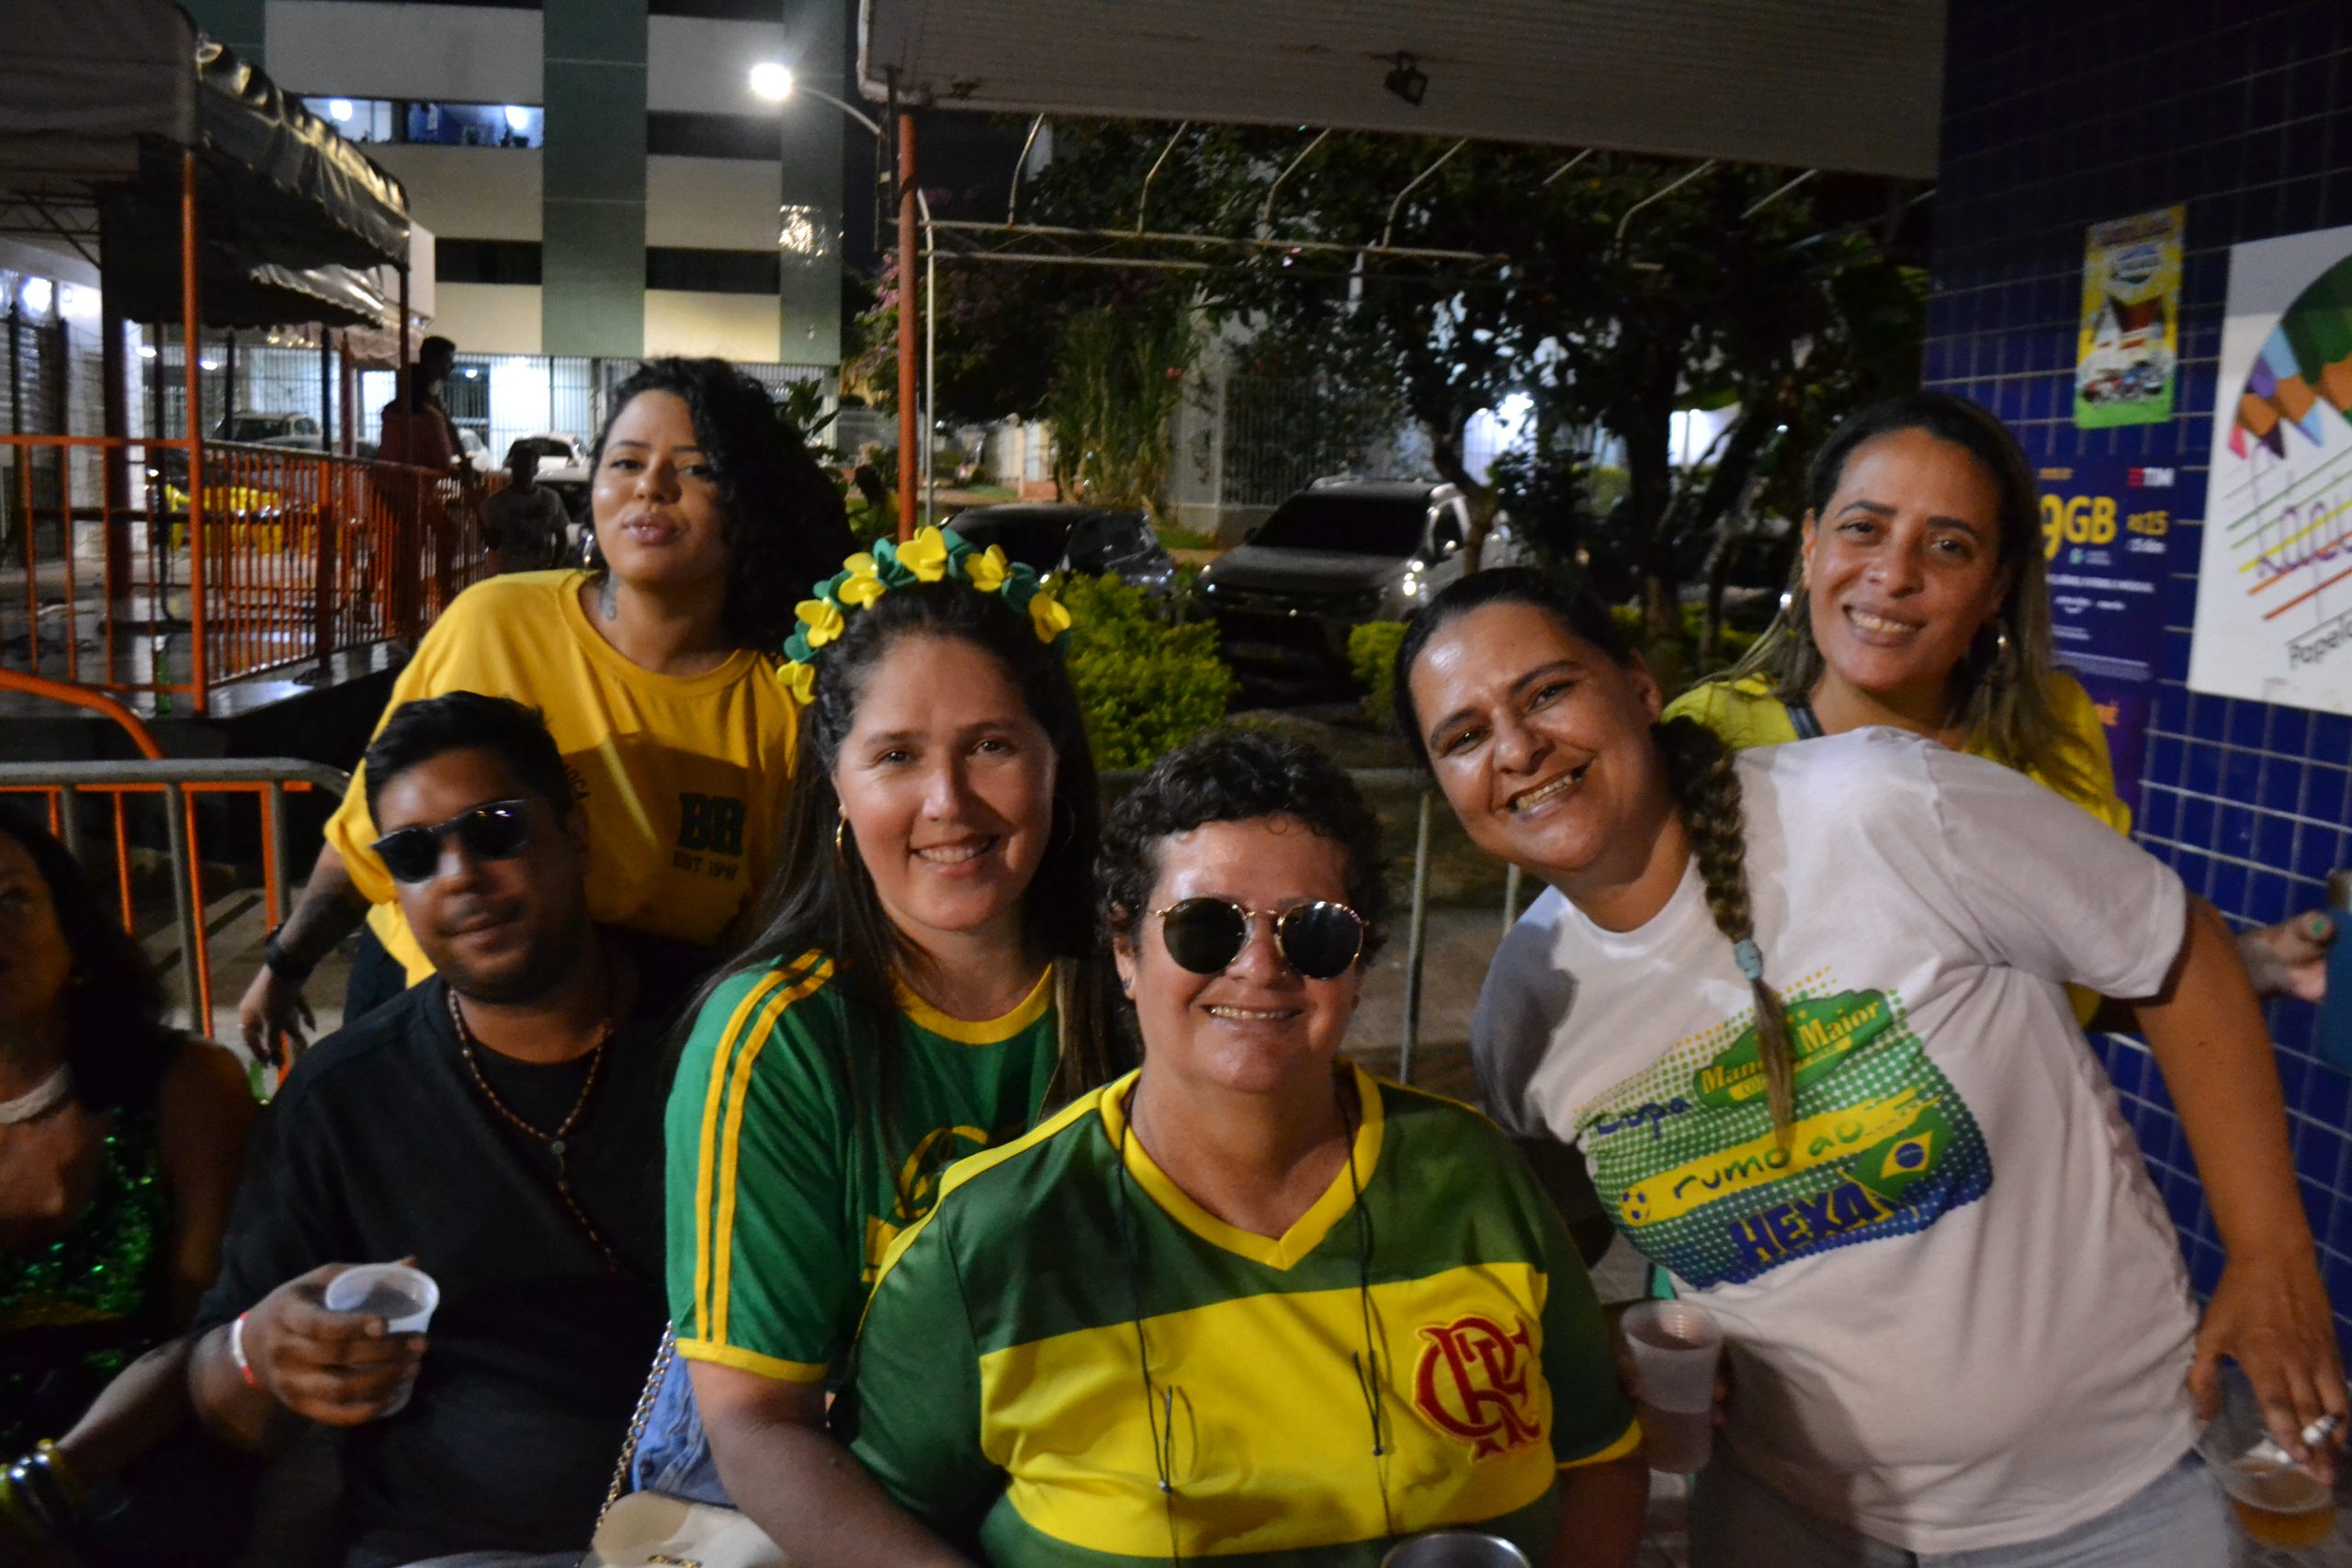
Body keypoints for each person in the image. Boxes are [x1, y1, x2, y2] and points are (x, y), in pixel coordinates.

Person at [1396, 568, 2344, 1566]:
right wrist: (1610, 1335)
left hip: (2107, 1505)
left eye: (1547, 691)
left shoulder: (1880, 805)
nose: (1517, 749)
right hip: (1789, 1515)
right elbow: (1560, 1236)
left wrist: (2269, 1255)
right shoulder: (1525, 1007)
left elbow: (2179, 951)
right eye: (1464, 737)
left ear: (1637, 687)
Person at [835, 728, 1647, 1567]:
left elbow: (1600, 1458)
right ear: (1125, 950)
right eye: (1205, 927)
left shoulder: (1472, 1177)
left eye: (1314, 931)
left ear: (1357, 966)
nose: (1261, 966)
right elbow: (875, 1523)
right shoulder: (993, 1242)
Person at [626, 528, 1125, 1561]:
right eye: (896, 756)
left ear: (1054, 765)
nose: (948, 803)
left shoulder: (1138, 988)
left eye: (991, 746)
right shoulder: (775, 1036)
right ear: (838, 789)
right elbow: (757, 1428)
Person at [240, 355, 852, 1055]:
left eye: (696, 468)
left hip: (636, 1041)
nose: (651, 486)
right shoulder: (491, 623)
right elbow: (366, 833)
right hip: (426, 1013)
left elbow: (774, 930)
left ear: (749, 502)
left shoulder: (784, 698)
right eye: (626, 462)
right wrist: (284, 963)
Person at [187, 693, 673, 1568]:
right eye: (413, 854)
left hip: (728, 1524)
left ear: (576, 837)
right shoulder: (344, 1098)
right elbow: (220, 1392)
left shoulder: (724, 1032)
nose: (459, 875)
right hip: (457, 1548)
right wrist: (264, 1350)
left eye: (494, 829)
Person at [1674, 390, 2332, 1003]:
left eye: (1948, 546)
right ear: (1812, 543)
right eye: (1864, 528)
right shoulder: (1711, 735)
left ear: (1996, 587)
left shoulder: (2050, 731)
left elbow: (2077, 988)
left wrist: (2247, 964)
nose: (1895, 574)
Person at [0, 808, 255, 1565]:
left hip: (138, 1463)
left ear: (74, 935)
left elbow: (210, 1327)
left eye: (11, 898)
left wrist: (39, 1487)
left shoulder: (187, 1087)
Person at [479, 440, 571, 575]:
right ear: (512, 467)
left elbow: (562, 538)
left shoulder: (550, 499)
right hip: (509, 575)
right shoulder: (498, 503)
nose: (524, 471)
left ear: (536, 469)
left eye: (528, 465)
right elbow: (493, 543)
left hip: (540, 573)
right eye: (520, 466)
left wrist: (553, 569)